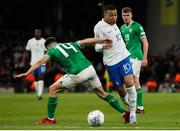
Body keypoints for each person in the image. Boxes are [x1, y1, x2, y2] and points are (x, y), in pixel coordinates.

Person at [15, 37, 130, 125]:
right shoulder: (70, 44)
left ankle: (50, 119)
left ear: (47, 47)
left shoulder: (51, 51)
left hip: (78, 73)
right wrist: (101, 40)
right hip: (90, 69)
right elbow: (86, 41)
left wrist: (26, 73)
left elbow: (41, 62)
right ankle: (125, 113)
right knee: (103, 94)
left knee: (52, 89)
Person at [94, 4, 137, 124]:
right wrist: (103, 45)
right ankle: (129, 105)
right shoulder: (99, 27)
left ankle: (133, 114)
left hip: (123, 57)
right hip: (111, 62)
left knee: (129, 82)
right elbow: (96, 47)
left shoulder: (115, 24)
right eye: (111, 15)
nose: (114, 17)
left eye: (115, 15)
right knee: (120, 89)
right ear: (105, 15)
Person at [120, 7, 149, 113]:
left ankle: (134, 106)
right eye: (124, 15)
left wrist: (145, 57)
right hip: (127, 57)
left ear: (131, 15)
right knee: (135, 81)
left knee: (129, 79)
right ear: (122, 16)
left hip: (136, 56)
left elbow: (145, 42)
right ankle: (139, 107)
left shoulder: (137, 27)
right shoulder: (122, 28)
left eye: (128, 15)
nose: (126, 17)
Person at [21, 29, 46, 100]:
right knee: (35, 79)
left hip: (43, 63)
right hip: (33, 64)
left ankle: (40, 94)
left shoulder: (44, 41)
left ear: (41, 33)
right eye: (36, 32)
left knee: (41, 76)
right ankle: (38, 94)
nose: (37, 33)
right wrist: (23, 61)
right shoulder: (30, 41)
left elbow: (47, 53)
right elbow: (26, 52)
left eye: (39, 32)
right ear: (34, 33)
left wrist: (49, 64)